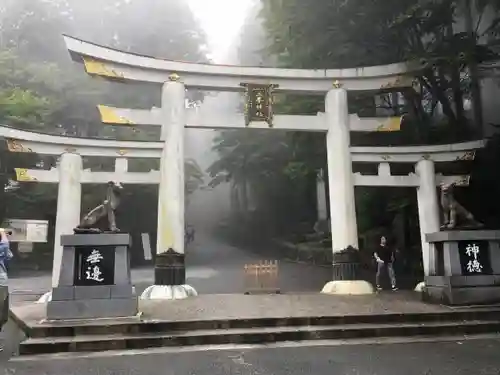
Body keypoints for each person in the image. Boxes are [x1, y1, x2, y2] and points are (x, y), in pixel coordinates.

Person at [0, 228, 13, 350]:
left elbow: (8, 256)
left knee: (3, 316)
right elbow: (4, 247)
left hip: (3, 283)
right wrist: (3, 233)